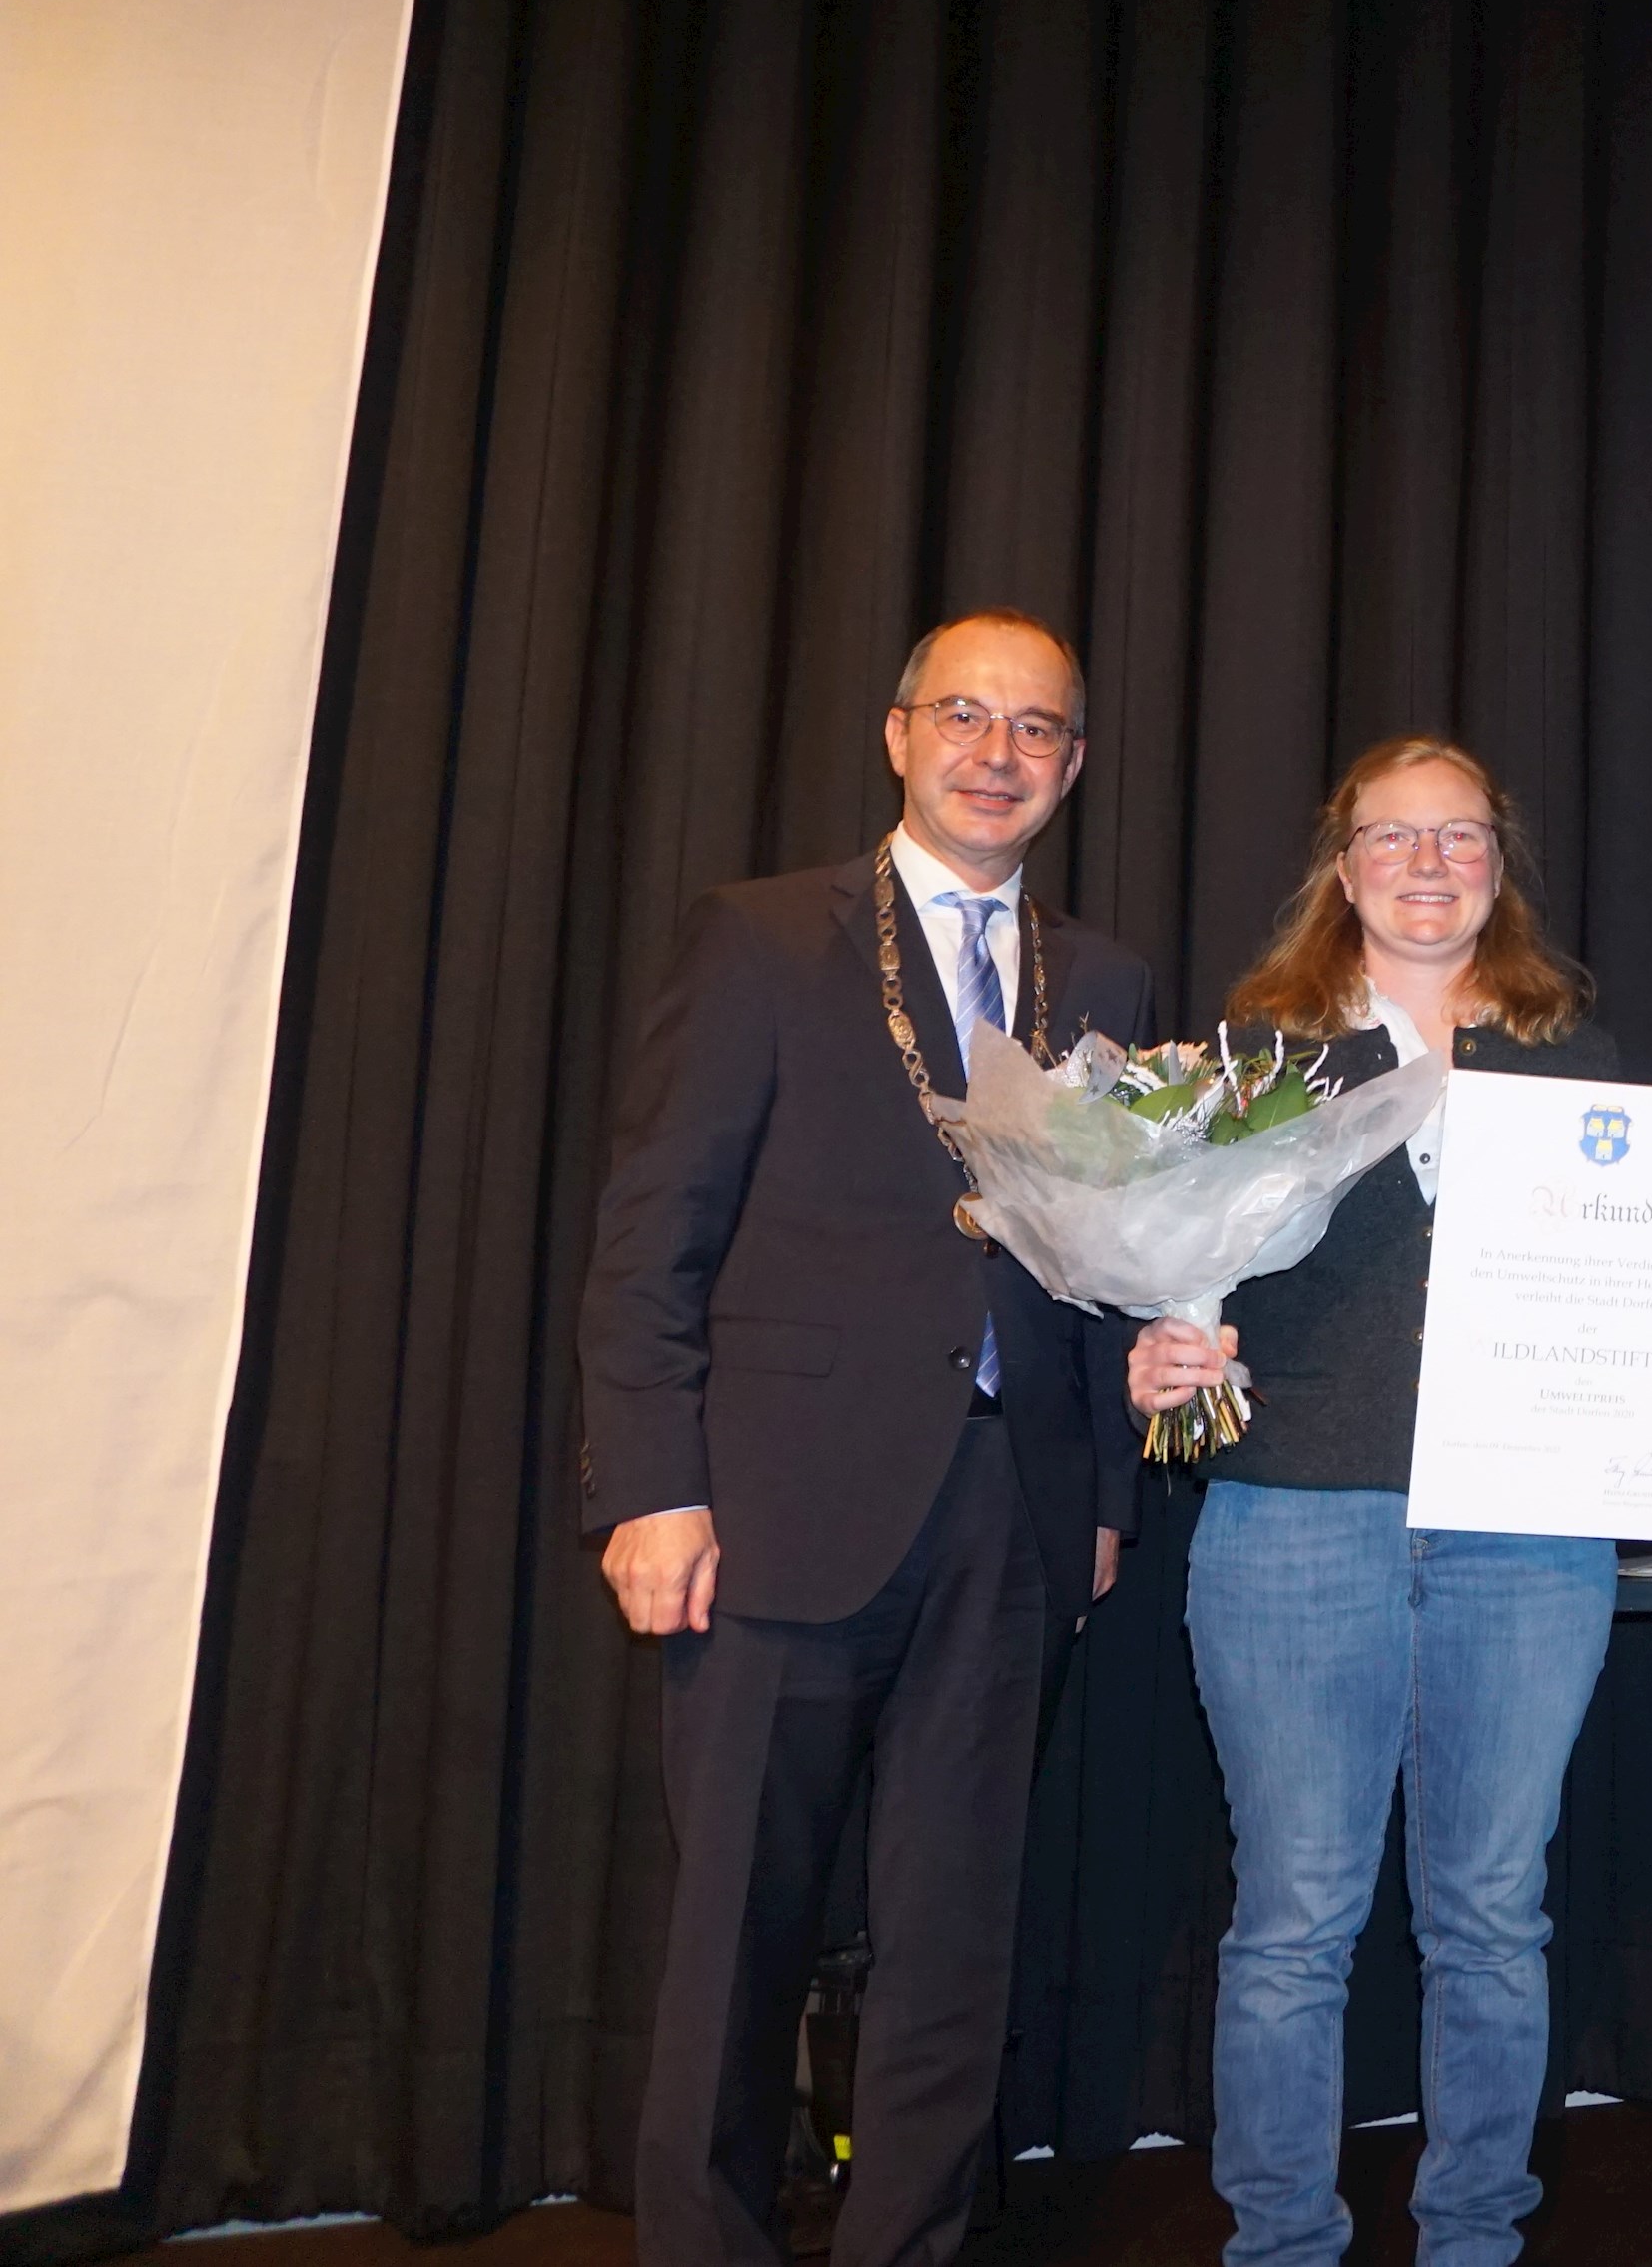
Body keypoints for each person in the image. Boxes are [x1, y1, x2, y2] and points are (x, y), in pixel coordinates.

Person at [1121, 737, 1652, 2267]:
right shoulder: (1256, 1052)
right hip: (1293, 1519)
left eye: (1460, 837)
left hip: (1528, 1529)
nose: (1428, 864)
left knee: (1494, 1919)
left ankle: (1475, 2236)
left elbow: (1632, 1268)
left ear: (1499, 863)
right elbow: (1178, 1277)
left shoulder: (1576, 1057)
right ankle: (1280, 2245)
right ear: (1341, 866)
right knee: (1293, 1925)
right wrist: (1163, 1341)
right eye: (1393, 838)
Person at [582, 610, 1154, 2267]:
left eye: (1035, 729)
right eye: (964, 717)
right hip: (776, 1510)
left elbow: (1113, 1265)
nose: (998, 753)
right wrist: (656, 1486)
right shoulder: (760, 941)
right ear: (897, 736)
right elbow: (651, 1237)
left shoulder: (1102, 978)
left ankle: (909, 2243)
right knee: (738, 1941)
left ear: (1072, 767)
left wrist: (1104, 1493)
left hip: (1015, 1510)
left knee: (957, 1938)